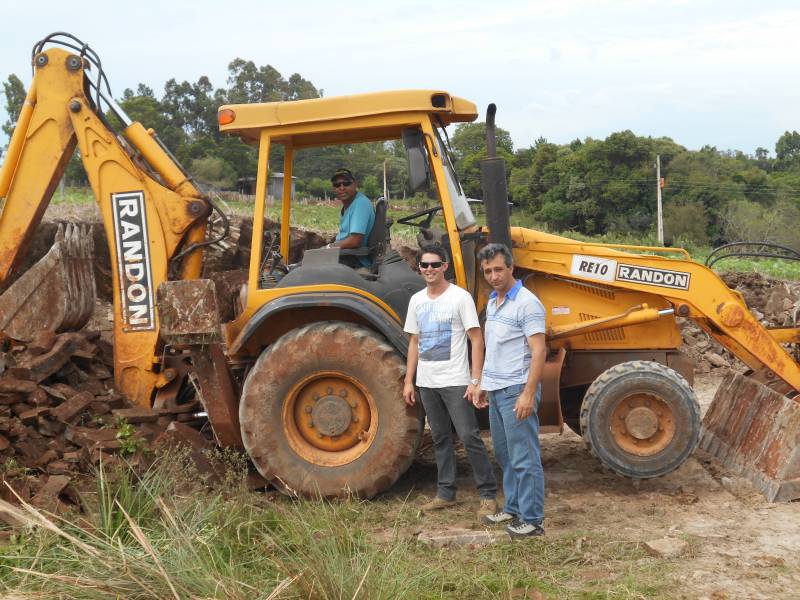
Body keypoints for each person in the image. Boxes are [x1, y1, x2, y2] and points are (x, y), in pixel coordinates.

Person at [402, 243, 498, 518]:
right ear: (419, 268)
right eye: (425, 265)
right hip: (428, 382)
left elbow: (476, 339)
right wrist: (410, 380)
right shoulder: (417, 301)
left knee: (468, 436)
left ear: (445, 267)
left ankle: (488, 495)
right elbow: (414, 342)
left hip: (456, 380)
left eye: (435, 265)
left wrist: (475, 379)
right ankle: (446, 493)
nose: (429, 269)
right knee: (441, 438)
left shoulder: (460, 298)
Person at [475, 243, 547, 539]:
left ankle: (532, 520)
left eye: (498, 269)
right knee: (505, 455)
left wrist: (528, 394)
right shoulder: (493, 301)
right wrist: (481, 383)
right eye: (487, 271)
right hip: (496, 389)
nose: (493, 276)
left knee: (524, 456)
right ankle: (514, 507)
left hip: (517, 389)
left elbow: (539, 350)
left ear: (511, 268)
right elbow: (493, 350)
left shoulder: (528, 303)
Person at [326, 168, 375, 267]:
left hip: (354, 259)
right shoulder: (348, 205)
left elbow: (354, 241)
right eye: (337, 185)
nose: (342, 188)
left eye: (346, 183)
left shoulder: (360, 204)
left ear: (355, 184)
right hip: (343, 254)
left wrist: (329, 247)